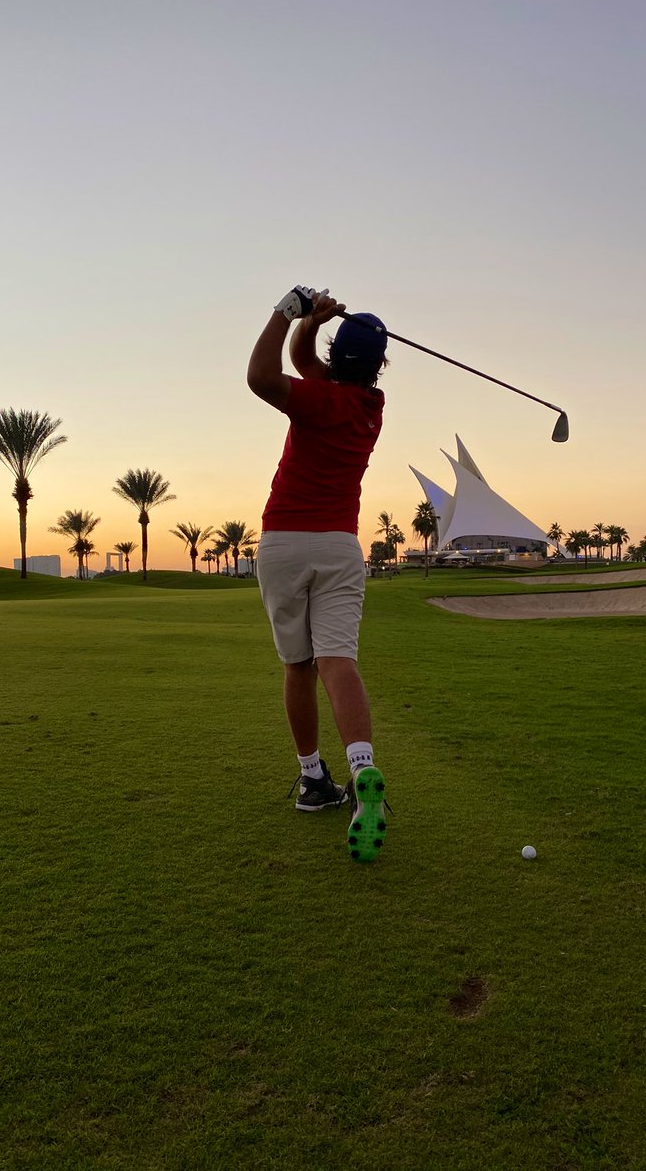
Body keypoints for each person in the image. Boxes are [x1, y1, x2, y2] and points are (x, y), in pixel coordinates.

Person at [247, 285, 389, 862]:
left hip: (284, 542)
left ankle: (312, 780)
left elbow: (262, 376)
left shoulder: (313, 400)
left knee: (297, 667)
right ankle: (361, 770)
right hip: (338, 547)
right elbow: (308, 364)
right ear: (377, 367)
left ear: (338, 356)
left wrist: (289, 311)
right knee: (338, 661)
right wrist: (314, 322)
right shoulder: (369, 407)